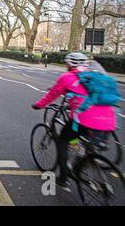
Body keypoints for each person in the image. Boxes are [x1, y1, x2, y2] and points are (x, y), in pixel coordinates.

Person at [31, 52, 117, 191]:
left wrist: (38, 105)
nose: (65, 65)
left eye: (66, 63)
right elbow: (86, 94)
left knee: (62, 140)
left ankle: (63, 177)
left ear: (70, 64)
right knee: (89, 147)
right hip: (109, 121)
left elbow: (52, 95)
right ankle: (86, 163)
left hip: (85, 119)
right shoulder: (95, 76)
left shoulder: (67, 77)